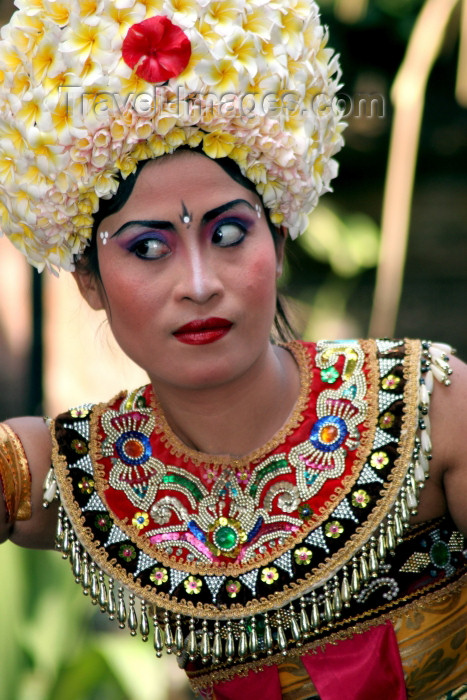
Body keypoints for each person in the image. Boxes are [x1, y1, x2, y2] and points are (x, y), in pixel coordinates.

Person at [1, 1, 467, 699]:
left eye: (226, 235)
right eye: (148, 248)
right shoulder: (66, 474)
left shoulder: (430, 407)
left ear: (277, 240)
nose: (196, 284)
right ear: (89, 284)